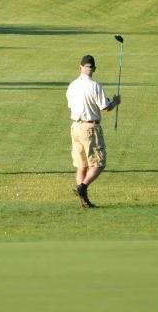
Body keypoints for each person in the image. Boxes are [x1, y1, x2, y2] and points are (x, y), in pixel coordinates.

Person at [66, 55, 121, 208]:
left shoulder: (72, 85)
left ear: (80, 67)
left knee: (81, 165)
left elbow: (70, 104)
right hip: (90, 128)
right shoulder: (95, 85)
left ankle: (83, 200)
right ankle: (82, 188)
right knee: (99, 163)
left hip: (75, 127)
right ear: (94, 69)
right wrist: (115, 102)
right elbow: (105, 107)